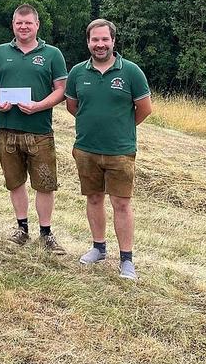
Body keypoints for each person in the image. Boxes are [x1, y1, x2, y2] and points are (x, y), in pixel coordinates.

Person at [65, 19, 152, 280]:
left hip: (120, 151)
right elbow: (72, 106)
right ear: (88, 42)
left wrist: (121, 127)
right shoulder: (78, 73)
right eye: (95, 40)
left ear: (113, 41)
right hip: (86, 148)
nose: (100, 44)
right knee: (93, 199)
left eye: (105, 39)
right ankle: (98, 247)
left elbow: (144, 109)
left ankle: (126, 260)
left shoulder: (131, 72)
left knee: (122, 204)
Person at [0, 4, 68, 254]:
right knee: (15, 181)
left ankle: (46, 232)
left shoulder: (52, 54)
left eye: (28, 23)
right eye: (19, 23)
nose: (24, 27)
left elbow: (61, 89)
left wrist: (40, 106)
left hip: (40, 130)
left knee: (45, 183)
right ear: (13, 25)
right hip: (7, 129)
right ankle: (22, 228)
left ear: (37, 25)